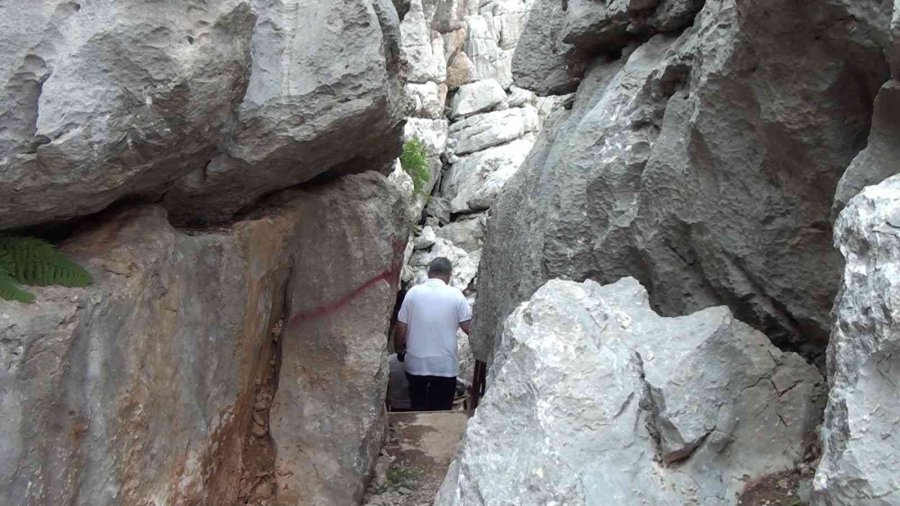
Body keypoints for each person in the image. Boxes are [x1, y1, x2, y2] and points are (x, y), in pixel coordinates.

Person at [395, 257, 472, 411]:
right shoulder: (456, 295)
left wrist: (398, 349)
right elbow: (469, 329)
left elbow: (401, 328)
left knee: (419, 409)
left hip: (416, 365)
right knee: (441, 412)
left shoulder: (412, 293)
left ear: (429, 273)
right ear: (449, 276)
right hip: (445, 366)